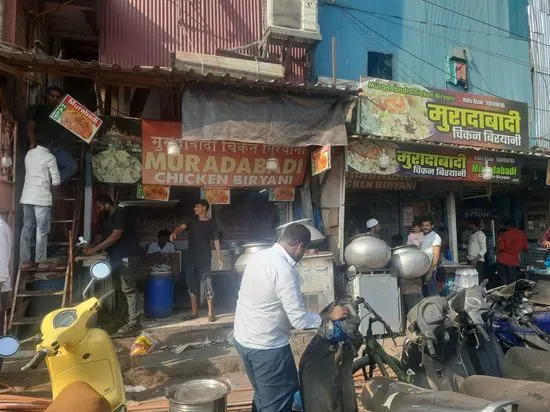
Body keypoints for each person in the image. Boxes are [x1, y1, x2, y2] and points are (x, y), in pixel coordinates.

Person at [234, 223, 349, 412]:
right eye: (305, 250)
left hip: (244, 340)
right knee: (278, 403)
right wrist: (328, 316)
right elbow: (299, 320)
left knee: (268, 394)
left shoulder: (260, 257)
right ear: (300, 246)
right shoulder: (284, 269)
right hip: (267, 348)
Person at [83, 195, 141, 334]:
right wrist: (90, 245)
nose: (98, 210)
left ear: (106, 204)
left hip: (127, 256)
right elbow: (102, 234)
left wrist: (94, 250)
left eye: (99, 206)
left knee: (129, 289)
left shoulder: (120, 211)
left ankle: (134, 322)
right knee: (119, 289)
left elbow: (116, 235)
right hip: (116, 258)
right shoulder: (108, 217)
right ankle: (122, 319)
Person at [170, 200, 223, 322]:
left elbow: (216, 240)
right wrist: (174, 232)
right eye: (194, 206)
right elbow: (180, 227)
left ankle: (211, 313)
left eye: (197, 206)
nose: (195, 208)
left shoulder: (212, 223)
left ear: (204, 208)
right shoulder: (192, 220)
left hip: (204, 258)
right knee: (191, 285)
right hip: (191, 259)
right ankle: (194, 312)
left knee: (208, 284)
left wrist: (219, 257)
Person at [19, 139, 61, 270]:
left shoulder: (29, 154)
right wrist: (53, 193)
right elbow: (56, 181)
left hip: (27, 196)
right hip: (41, 198)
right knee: (41, 230)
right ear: (50, 144)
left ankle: (24, 261)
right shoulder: (50, 157)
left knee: (27, 228)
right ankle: (41, 260)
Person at [27, 86, 78, 183]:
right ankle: (45, 185)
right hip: (40, 147)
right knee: (40, 171)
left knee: (72, 166)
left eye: (57, 97)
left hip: (56, 147)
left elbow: (72, 131)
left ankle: (49, 184)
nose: (54, 99)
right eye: (52, 96)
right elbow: (30, 127)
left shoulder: (62, 112)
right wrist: (32, 144)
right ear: (46, 96)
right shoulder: (37, 108)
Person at [496, 218, 528, 286]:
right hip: (513, 261)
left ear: (508, 226)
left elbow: (501, 247)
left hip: (502, 259)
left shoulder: (505, 234)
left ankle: (503, 295)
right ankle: (511, 295)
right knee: (512, 281)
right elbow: (525, 248)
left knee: (503, 280)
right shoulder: (522, 234)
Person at [419, 217, 442, 297]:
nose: (425, 227)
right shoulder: (422, 237)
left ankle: (439, 308)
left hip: (430, 270)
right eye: (423, 225)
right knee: (426, 293)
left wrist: (430, 272)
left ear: (432, 226)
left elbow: (436, 256)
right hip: (423, 269)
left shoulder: (435, 237)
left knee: (433, 294)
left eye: (427, 225)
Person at [466, 217, 487, 282]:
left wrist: (475, 259)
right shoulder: (473, 234)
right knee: (472, 281)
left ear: (473, 224)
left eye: (469, 224)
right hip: (471, 260)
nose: (468, 226)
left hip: (477, 262)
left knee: (478, 280)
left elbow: (484, 249)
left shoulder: (480, 234)